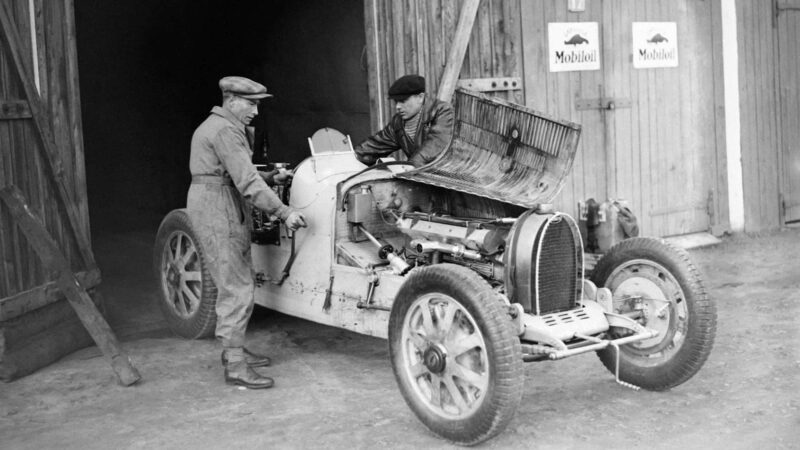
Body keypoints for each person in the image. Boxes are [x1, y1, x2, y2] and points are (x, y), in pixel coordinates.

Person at [187, 76, 307, 389]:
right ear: (231, 100)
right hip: (219, 206)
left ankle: (234, 351)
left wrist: (270, 174)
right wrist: (284, 212)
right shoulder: (226, 129)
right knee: (236, 286)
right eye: (251, 103)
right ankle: (236, 365)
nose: (255, 110)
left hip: (216, 200)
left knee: (235, 278)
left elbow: (234, 170)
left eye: (258, 103)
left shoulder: (215, 126)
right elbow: (247, 182)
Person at [354, 74, 454, 167]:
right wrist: (353, 156)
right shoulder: (398, 122)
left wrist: (412, 165)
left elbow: (436, 144)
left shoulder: (442, 111)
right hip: (421, 175)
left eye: (402, 101)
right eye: (396, 102)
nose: (397, 107)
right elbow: (376, 145)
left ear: (420, 97)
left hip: (451, 175)